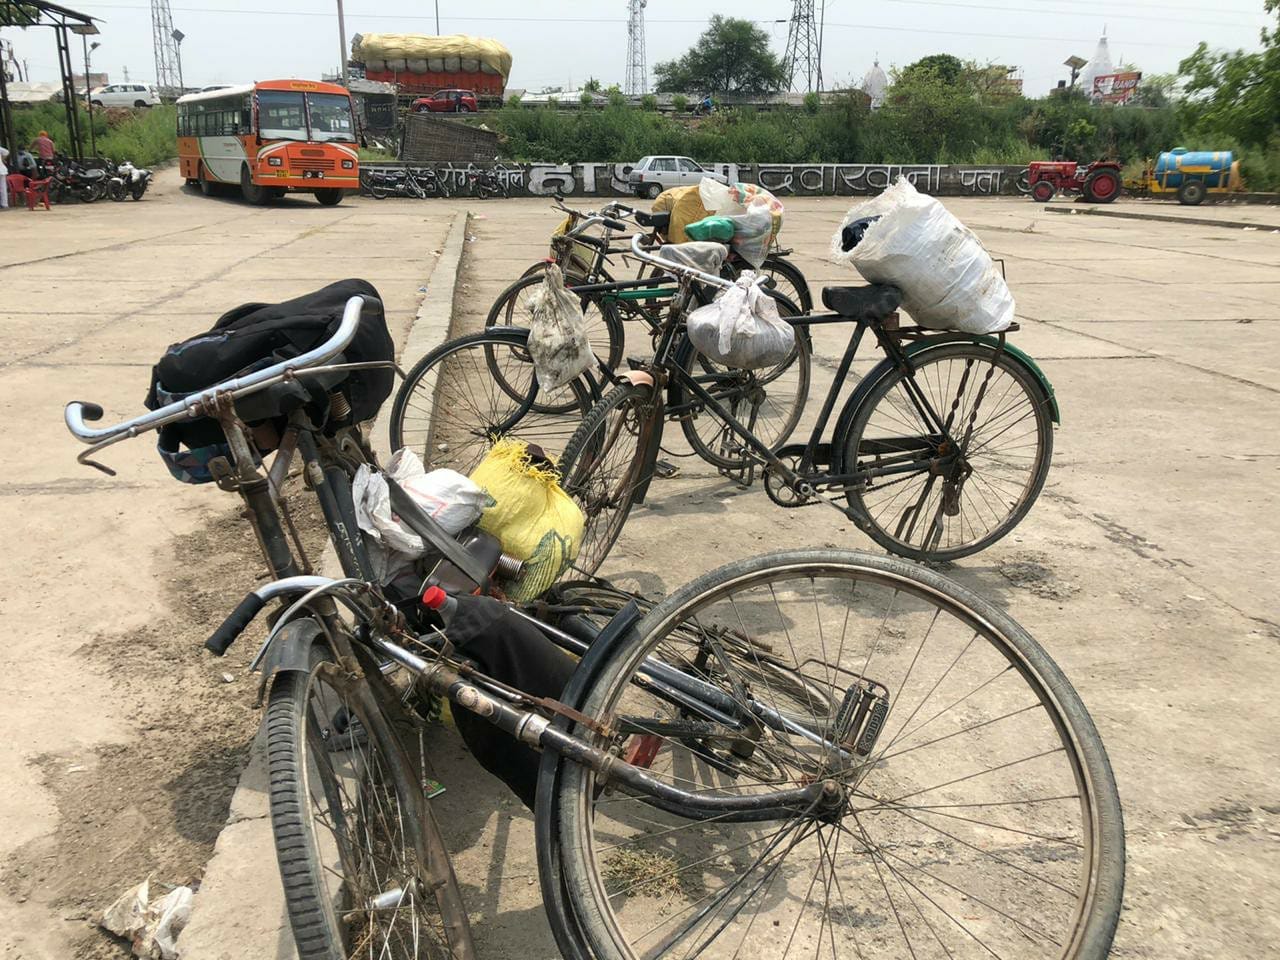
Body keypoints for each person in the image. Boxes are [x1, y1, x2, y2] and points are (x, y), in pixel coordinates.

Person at [0, 144, 9, 210]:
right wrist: (2, 159)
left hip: (1, 169)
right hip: (2, 169)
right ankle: (4, 204)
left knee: (3, 187)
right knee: (3, 188)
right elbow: (6, 152)